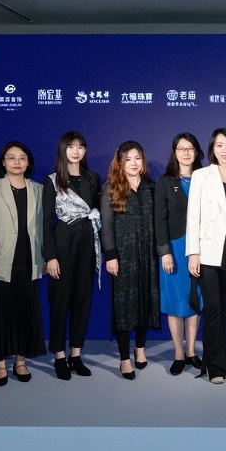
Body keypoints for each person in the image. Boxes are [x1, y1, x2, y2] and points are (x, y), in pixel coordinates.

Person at [0, 142, 46, 385]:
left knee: (24, 313)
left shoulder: (39, 189)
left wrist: (45, 258)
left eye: (22, 157)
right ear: (3, 162)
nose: (17, 162)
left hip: (29, 260)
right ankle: (0, 365)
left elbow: (44, 228)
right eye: (11, 157)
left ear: (28, 162)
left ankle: (20, 362)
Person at [186, 128, 226, 384]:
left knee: (222, 310)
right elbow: (193, 216)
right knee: (211, 310)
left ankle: (223, 358)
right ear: (212, 148)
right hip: (208, 254)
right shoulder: (201, 175)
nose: (225, 149)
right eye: (220, 145)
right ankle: (215, 366)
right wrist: (193, 253)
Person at [42, 131, 102, 380]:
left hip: (87, 243)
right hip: (63, 243)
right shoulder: (52, 180)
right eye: (71, 146)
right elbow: (46, 222)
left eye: (81, 146)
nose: (76, 151)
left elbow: (97, 210)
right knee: (60, 303)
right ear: (63, 150)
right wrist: (50, 257)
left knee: (82, 302)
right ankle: (59, 356)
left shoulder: (93, 178)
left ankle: (75, 355)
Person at [100, 141, 161, 380]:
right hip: (123, 257)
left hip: (148, 255)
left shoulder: (151, 188)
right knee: (124, 306)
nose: (133, 163)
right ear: (120, 162)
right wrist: (111, 255)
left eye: (137, 158)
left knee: (146, 301)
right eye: (128, 159)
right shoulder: (112, 188)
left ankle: (140, 349)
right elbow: (106, 225)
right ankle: (125, 358)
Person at [155, 133, 206, 376]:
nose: (186, 153)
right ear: (174, 152)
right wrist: (164, 252)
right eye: (181, 148)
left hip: (201, 250)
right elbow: (159, 221)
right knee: (176, 302)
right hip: (174, 250)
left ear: (197, 152)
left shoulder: (205, 179)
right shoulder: (165, 182)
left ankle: (192, 351)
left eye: (190, 148)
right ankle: (178, 353)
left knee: (194, 299)